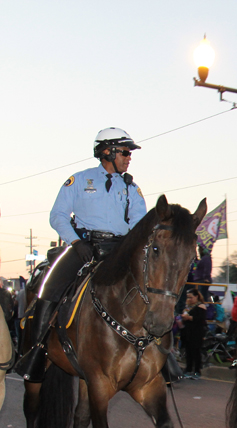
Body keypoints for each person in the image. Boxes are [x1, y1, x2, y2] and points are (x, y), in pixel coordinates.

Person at [15, 127, 146, 381]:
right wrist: (76, 243)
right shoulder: (79, 180)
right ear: (107, 152)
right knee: (49, 289)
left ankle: (162, 357)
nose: (129, 157)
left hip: (120, 250)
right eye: (125, 152)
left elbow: (139, 224)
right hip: (84, 247)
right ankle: (36, 353)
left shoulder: (132, 188)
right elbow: (58, 215)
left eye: (129, 153)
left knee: (151, 289)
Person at [180, 289, 207, 380]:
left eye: (191, 297)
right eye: (188, 297)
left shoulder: (201, 306)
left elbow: (200, 319)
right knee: (188, 352)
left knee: (196, 352)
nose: (189, 299)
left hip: (197, 332)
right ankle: (188, 369)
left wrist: (189, 318)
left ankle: (197, 371)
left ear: (196, 296)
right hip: (188, 331)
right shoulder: (188, 307)